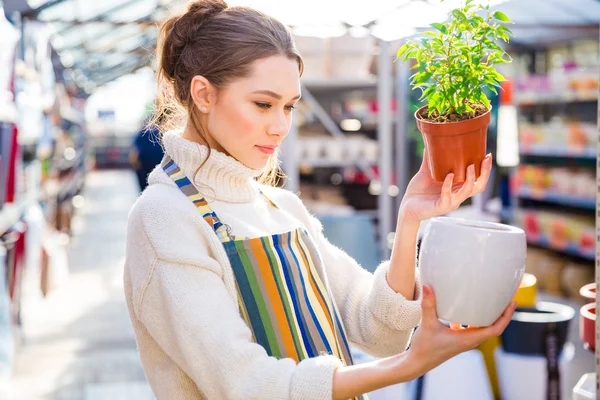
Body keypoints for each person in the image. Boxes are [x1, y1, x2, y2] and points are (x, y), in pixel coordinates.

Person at [123, 1, 516, 399]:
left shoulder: (280, 207)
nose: (280, 127)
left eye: (290, 107)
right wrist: (409, 366)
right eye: (263, 104)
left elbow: (376, 328)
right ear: (203, 94)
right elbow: (249, 386)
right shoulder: (165, 217)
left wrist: (410, 218)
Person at [129, 120, 165, 192]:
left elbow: (134, 154)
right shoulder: (162, 133)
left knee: (145, 189)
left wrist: (135, 166)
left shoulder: (141, 134)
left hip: (144, 166)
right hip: (159, 166)